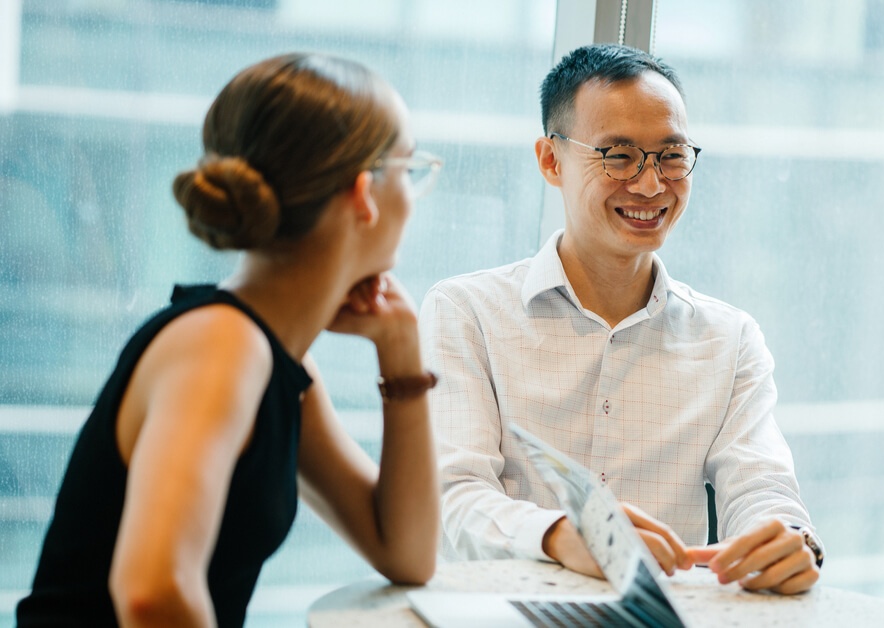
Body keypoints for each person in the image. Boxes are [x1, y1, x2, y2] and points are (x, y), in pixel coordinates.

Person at [16, 52, 443, 626]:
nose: (414, 196)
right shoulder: (222, 346)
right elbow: (152, 592)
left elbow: (406, 553)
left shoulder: (274, 360)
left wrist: (401, 354)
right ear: (364, 193)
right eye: (409, 168)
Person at [420, 43, 823, 596]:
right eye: (618, 155)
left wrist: (787, 542)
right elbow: (451, 497)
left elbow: (762, 488)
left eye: (672, 155)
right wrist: (565, 536)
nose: (651, 185)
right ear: (550, 159)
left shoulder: (728, 339)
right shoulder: (466, 312)